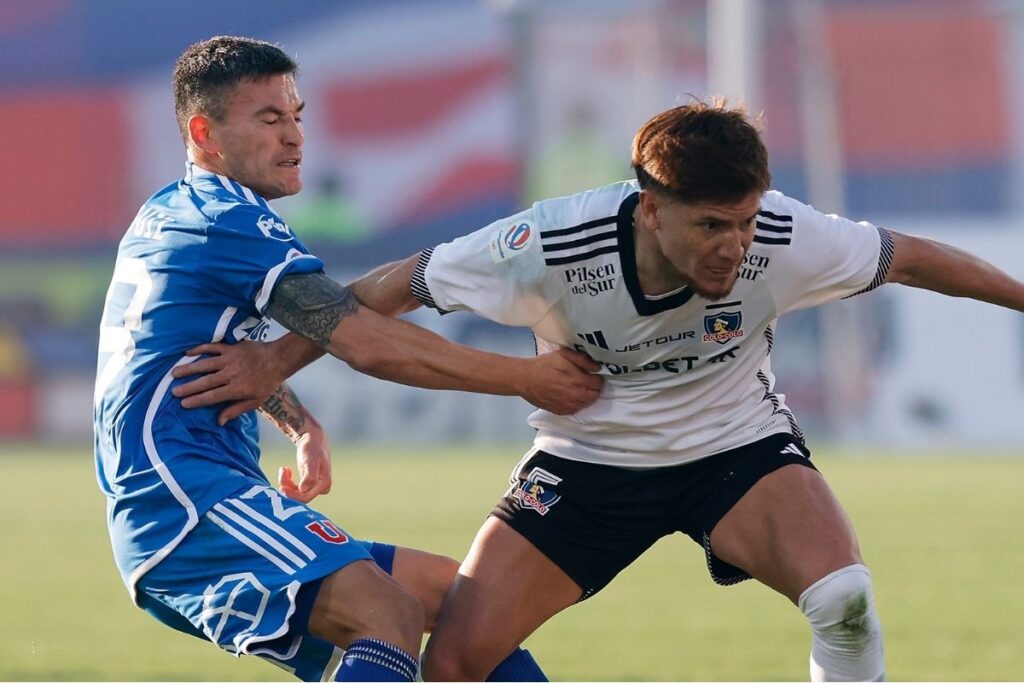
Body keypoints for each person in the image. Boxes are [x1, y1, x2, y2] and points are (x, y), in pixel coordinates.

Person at [172, 98, 1024, 682]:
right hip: (585, 465)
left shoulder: (787, 234)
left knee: (843, 598)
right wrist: (273, 363)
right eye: (711, 225)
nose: (735, 245)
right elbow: (398, 285)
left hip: (737, 448)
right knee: (458, 662)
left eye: (746, 219)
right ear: (650, 210)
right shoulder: (548, 241)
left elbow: (910, 256)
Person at [93, 35, 602, 682]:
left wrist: (297, 422)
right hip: (186, 504)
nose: (295, 136)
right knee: (384, 611)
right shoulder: (227, 220)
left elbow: (221, 353)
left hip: (190, 500)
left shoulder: (174, 209)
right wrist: (526, 378)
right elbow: (362, 339)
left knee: (460, 602)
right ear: (205, 131)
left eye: (298, 115)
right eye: (269, 119)